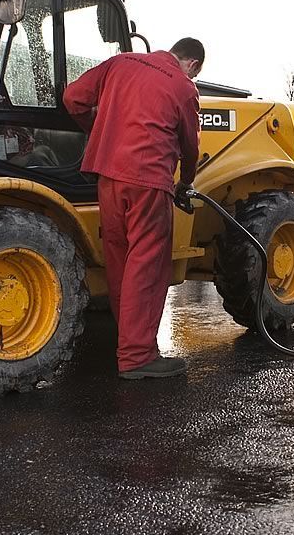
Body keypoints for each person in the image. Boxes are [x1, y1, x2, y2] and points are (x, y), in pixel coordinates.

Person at [63, 38, 204, 380]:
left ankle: (125, 336)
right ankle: (137, 356)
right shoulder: (183, 87)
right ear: (194, 66)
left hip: (108, 176)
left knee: (120, 256)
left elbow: (72, 97)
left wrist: (96, 129)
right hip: (148, 180)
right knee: (148, 263)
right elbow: (189, 145)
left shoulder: (120, 63)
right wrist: (185, 182)